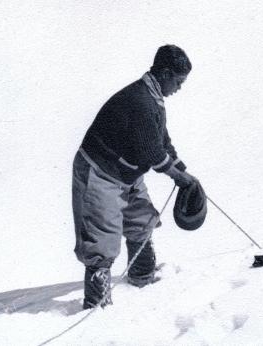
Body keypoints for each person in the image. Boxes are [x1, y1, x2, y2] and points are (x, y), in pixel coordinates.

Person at [72, 45, 196, 309]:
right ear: (164, 73)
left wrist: (181, 169)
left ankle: (142, 277)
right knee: (101, 239)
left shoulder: (154, 99)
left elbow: (161, 140)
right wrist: (178, 177)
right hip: (99, 172)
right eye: (178, 81)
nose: (179, 88)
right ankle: (97, 304)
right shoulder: (140, 101)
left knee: (142, 221)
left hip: (127, 173)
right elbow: (151, 152)